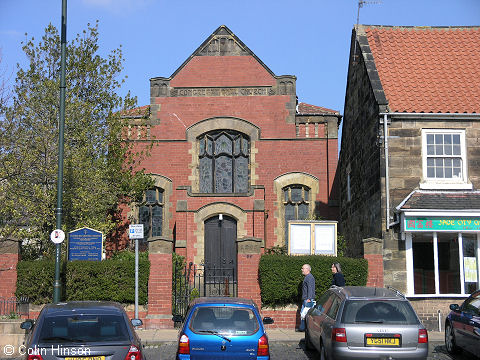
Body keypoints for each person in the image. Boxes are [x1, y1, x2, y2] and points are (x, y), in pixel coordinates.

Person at [297, 264, 315, 332]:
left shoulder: (309, 277)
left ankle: (304, 328)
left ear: (307, 269)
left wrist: (309, 299)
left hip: (308, 299)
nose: (302, 270)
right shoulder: (308, 277)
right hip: (306, 299)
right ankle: (303, 327)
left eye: (303, 268)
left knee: (305, 314)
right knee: (303, 314)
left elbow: (310, 288)